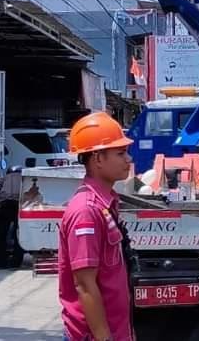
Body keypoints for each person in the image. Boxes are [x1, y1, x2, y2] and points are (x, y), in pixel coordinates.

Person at [58, 112, 135, 341]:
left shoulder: (106, 203)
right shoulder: (86, 212)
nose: (128, 160)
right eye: (120, 153)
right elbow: (84, 285)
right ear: (97, 159)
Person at [0, 165, 24, 269]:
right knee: (18, 234)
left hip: (3, 206)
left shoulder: (5, 178)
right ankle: (16, 262)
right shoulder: (23, 177)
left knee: (1, 236)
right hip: (17, 205)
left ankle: (1, 263)